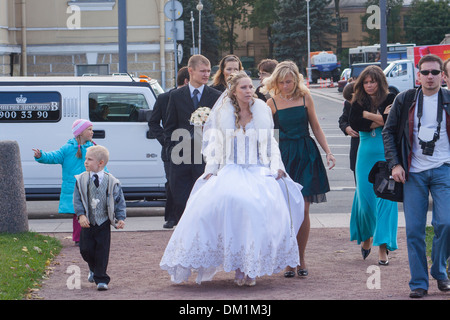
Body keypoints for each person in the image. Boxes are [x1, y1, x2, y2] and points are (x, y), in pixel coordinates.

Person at [160, 71, 304, 286]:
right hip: (231, 168)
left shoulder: (262, 111)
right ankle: (239, 265)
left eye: (250, 87)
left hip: (257, 169)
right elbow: (215, 146)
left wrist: (277, 166)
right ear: (234, 91)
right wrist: (211, 169)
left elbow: (270, 144)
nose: (249, 91)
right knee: (224, 203)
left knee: (255, 206)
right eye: (244, 88)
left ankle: (251, 267)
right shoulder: (223, 113)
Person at [382, 54, 450, 298]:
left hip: (444, 169)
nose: (430, 77)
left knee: (446, 223)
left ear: (442, 76)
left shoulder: (449, 100)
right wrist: (395, 164)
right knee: (414, 230)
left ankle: (439, 270)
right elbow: (388, 132)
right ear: (418, 75)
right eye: (425, 72)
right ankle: (419, 283)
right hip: (413, 173)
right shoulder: (405, 99)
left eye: (434, 72)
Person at [264, 61, 335, 278]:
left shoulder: (306, 98)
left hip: (306, 154)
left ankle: (300, 257)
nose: (286, 86)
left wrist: (328, 152)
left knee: (303, 210)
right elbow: (267, 136)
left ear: (296, 80)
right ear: (276, 82)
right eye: (282, 82)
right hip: (284, 158)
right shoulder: (271, 103)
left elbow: (316, 126)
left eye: (289, 81)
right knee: (287, 212)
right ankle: (288, 258)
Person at [348, 65, 398, 266]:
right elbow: (356, 123)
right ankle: (368, 237)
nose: (369, 85)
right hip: (365, 155)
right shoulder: (358, 101)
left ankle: (383, 248)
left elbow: (393, 120)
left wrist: (367, 116)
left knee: (386, 200)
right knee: (366, 200)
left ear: (380, 81)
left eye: (373, 81)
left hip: (387, 153)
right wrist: (379, 118)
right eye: (366, 82)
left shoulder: (392, 97)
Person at [164, 55, 222, 224]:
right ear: (190, 71)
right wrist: (171, 150)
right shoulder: (175, 96)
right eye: (202, 71)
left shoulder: (216, 96)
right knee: (181, 200)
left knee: (205, 199)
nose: (206, 75)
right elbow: (169, 126)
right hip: (180, 156)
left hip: (205, 157)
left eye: (208, 71)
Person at [33, 119, 96, 245]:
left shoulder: (94, 148)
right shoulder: (67, 148)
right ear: (80, 132)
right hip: (74, 187)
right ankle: (79, 239)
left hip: (90, 186)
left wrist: (106, 178)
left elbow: (101, 165)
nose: (92, 132)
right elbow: (54, 156)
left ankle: (90, 237)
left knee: (92, 212)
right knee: (78, 214)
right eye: (89, 129)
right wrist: (41, 156)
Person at [73, 145, 126, 291]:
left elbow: (119, 201)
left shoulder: (112, 181)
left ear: (100, 163)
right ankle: (93, 268)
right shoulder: (82, 179)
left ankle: (101, 279)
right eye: (85, 159)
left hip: (103, 222)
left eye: (89, 159)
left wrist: (120, 218)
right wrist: (81, 215)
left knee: (102, 250)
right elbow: (77, 200)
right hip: (87, 222)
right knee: (85, 249)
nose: (86, 162)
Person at [148, 66, 189, 229]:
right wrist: (166, 140)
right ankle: (171, 217)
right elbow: (153, 122)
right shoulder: (165, 98)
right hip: (172, 149)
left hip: (194, 148)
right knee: (172, 182)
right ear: (186, 81)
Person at [338, 82, 359, 181]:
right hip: (356, 146)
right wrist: (346, 128)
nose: (350, 102)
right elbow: (342, 120)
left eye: (352, 100)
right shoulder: (348, 104)